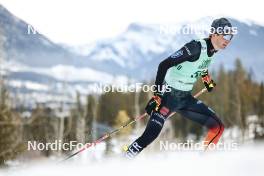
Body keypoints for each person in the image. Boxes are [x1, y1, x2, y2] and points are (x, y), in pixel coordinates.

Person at [125, 18, 234, 158]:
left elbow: (201, 66)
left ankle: (204, 162)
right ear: (214, 33)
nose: (228, 40)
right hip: (167, 97)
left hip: (185, 99)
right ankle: (124, 160)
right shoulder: (195, 47)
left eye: (230, 36)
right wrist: (157, 95)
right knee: (150, 135)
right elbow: (164, 65)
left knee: (218, 127)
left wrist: (207, 79)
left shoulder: (213, 51)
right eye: (225, 35)